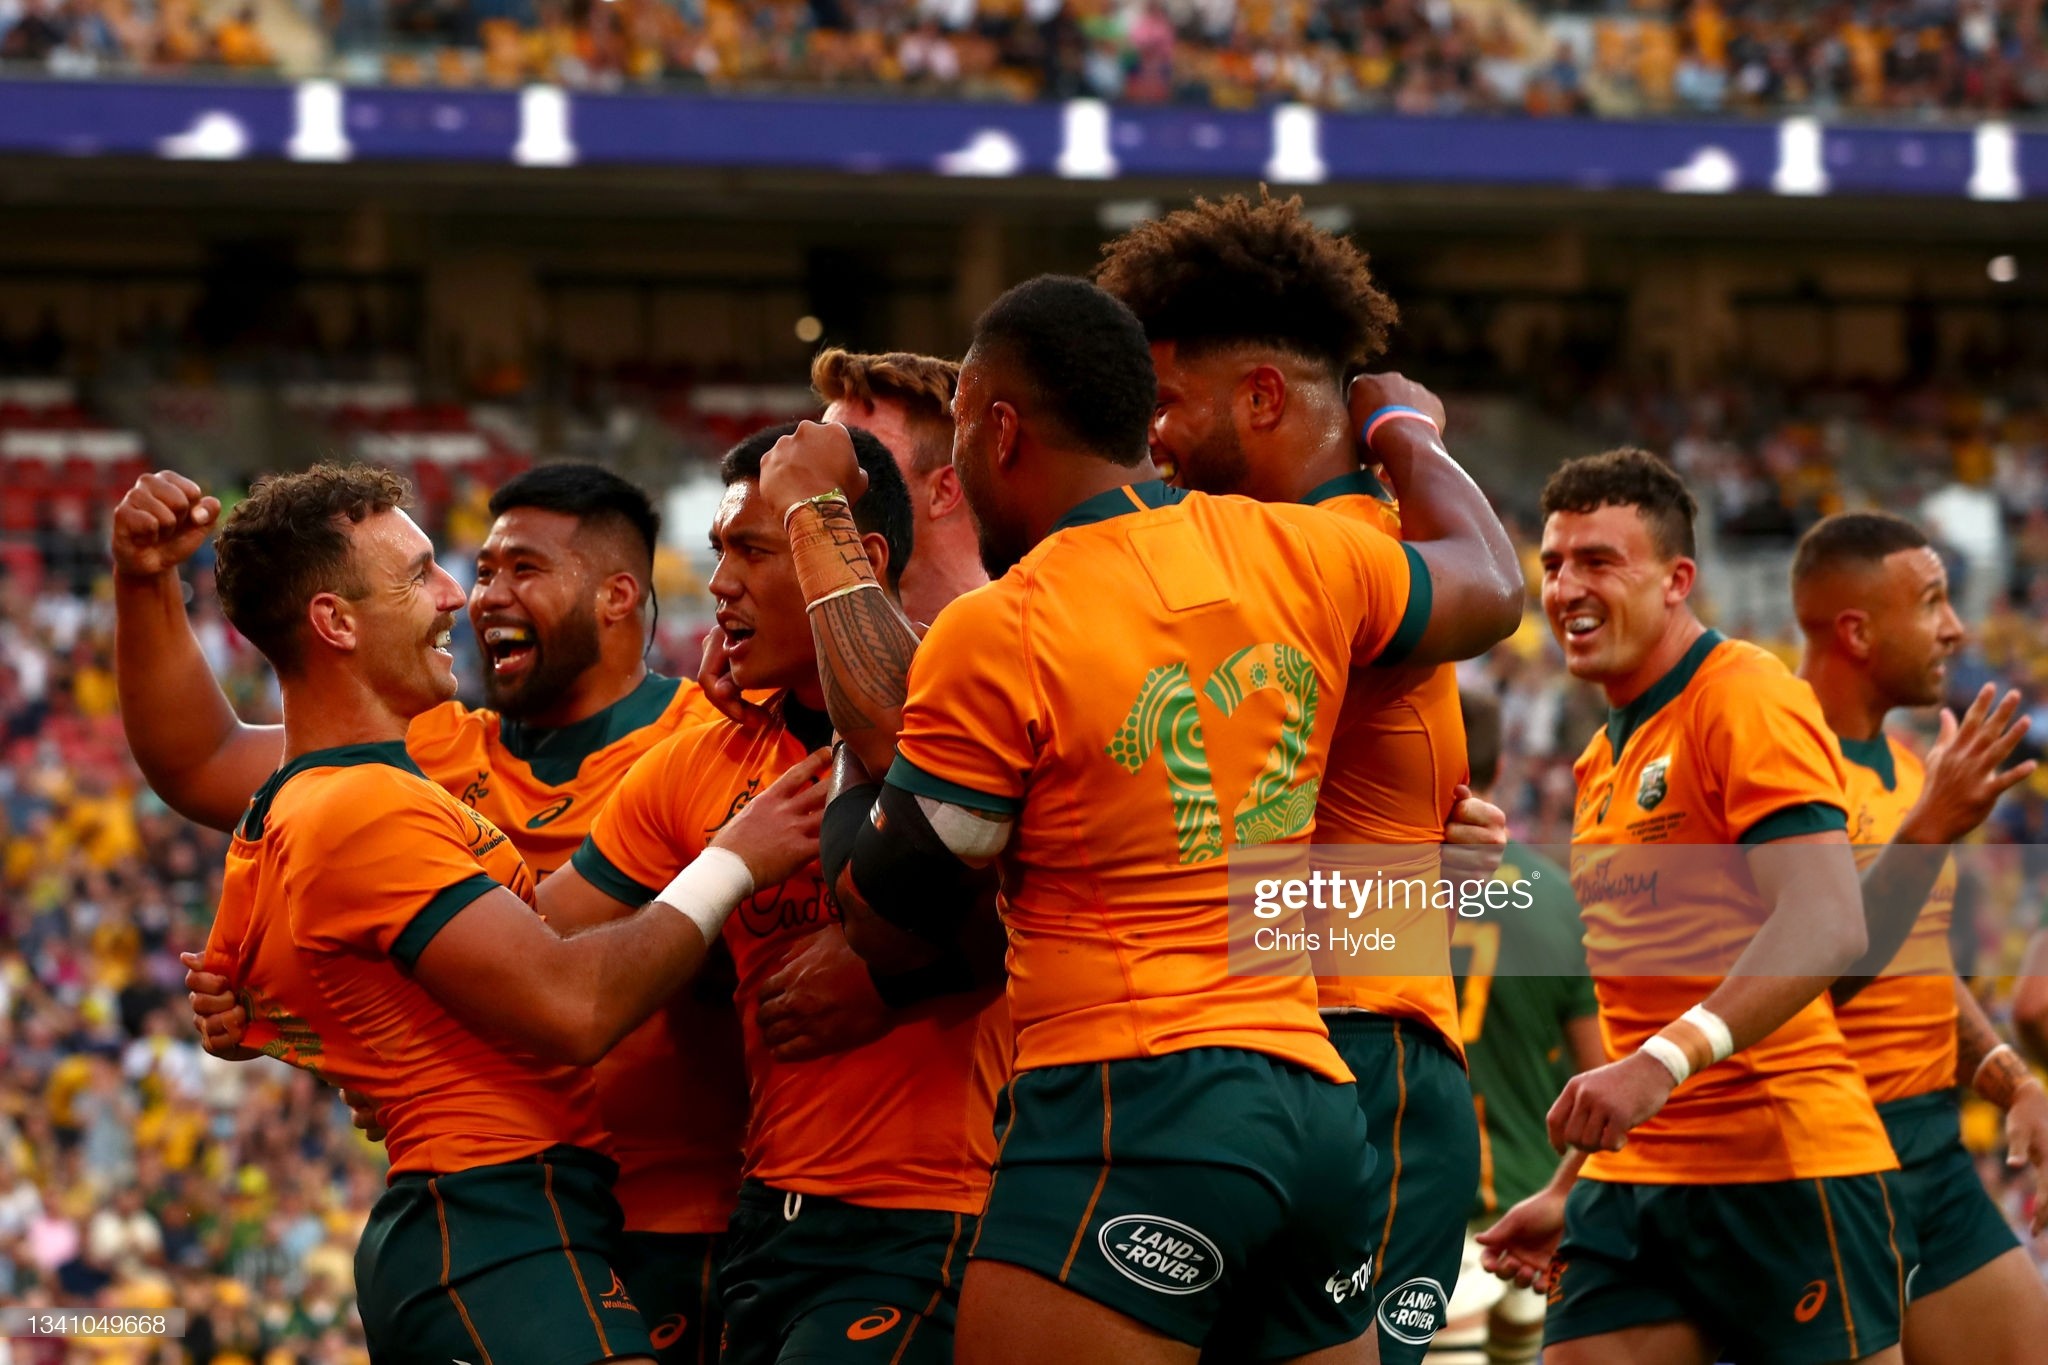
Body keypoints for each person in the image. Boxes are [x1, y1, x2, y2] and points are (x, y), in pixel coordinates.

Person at [764, 274, 1524, 1364]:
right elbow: (1491, 587)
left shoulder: (1003, 626)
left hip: (1129, 1104)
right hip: (1312, 1109)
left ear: (995, 430)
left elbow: (893, 915)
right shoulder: (1298, 551)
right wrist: (1401, 424)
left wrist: (855, 770)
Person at [113, 462, 749, 1365]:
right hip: (515, 1205)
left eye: (521, 569)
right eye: (474, 569)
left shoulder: (705, 741)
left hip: (698, 1205)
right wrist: (144, 581)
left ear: (618, 596)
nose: (476, 593)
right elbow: (201, 756)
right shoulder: (413, 754)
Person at [1096, 192, 1506, 1360]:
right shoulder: (1307, 549)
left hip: (1362, 1052)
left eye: (1167, 402)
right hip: (1285, 1044)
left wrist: (1406, 437)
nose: (1152, 435)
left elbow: (1493, 584)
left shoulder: (1351, 556)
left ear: (1262, 397)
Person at [543, 423, 1009, 1365]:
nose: (720, 584)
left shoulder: (970, 714)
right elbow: (534, 950)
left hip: (934, 1218)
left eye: (753, 549)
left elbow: (1085, 903)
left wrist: (898, 975)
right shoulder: (702, 764)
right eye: (720, 551)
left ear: (853, 552)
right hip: (759, 1219)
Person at [1479, 448, 1902, 1365]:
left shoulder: (1744, 697)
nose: (1565, 587)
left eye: (1598, 560)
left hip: (1781, 1169)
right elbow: (1641, 1005)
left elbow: (1829, 920)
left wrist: (1657, 1069)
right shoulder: (1600, 758)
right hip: (1631, 1185)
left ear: (1678, 581)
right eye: (1553, 564)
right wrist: (1566, 1182)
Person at [1791, 511, 2048, 1362]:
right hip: (1827, 1158)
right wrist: (1929, 830)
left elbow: (1921, 964)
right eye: (1933, 601)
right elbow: (1793, 987)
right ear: (1858, 631)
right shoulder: (1780, 766)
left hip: (1932, 1148)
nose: (1958, 628)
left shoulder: (1908, 768)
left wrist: (2012, 1082)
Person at [1431, 690, 1602, 1365]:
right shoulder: (1557, 896)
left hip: (1426, 1213)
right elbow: (1598, 1073)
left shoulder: (1365, 890)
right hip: (1536, 1207)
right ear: (1499, 768)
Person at [812, 348, 986, 626]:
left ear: (945, 490)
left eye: (860, 458)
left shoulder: (1027, 645)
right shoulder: (809, 651)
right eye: (820, 457)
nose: (821, 484)